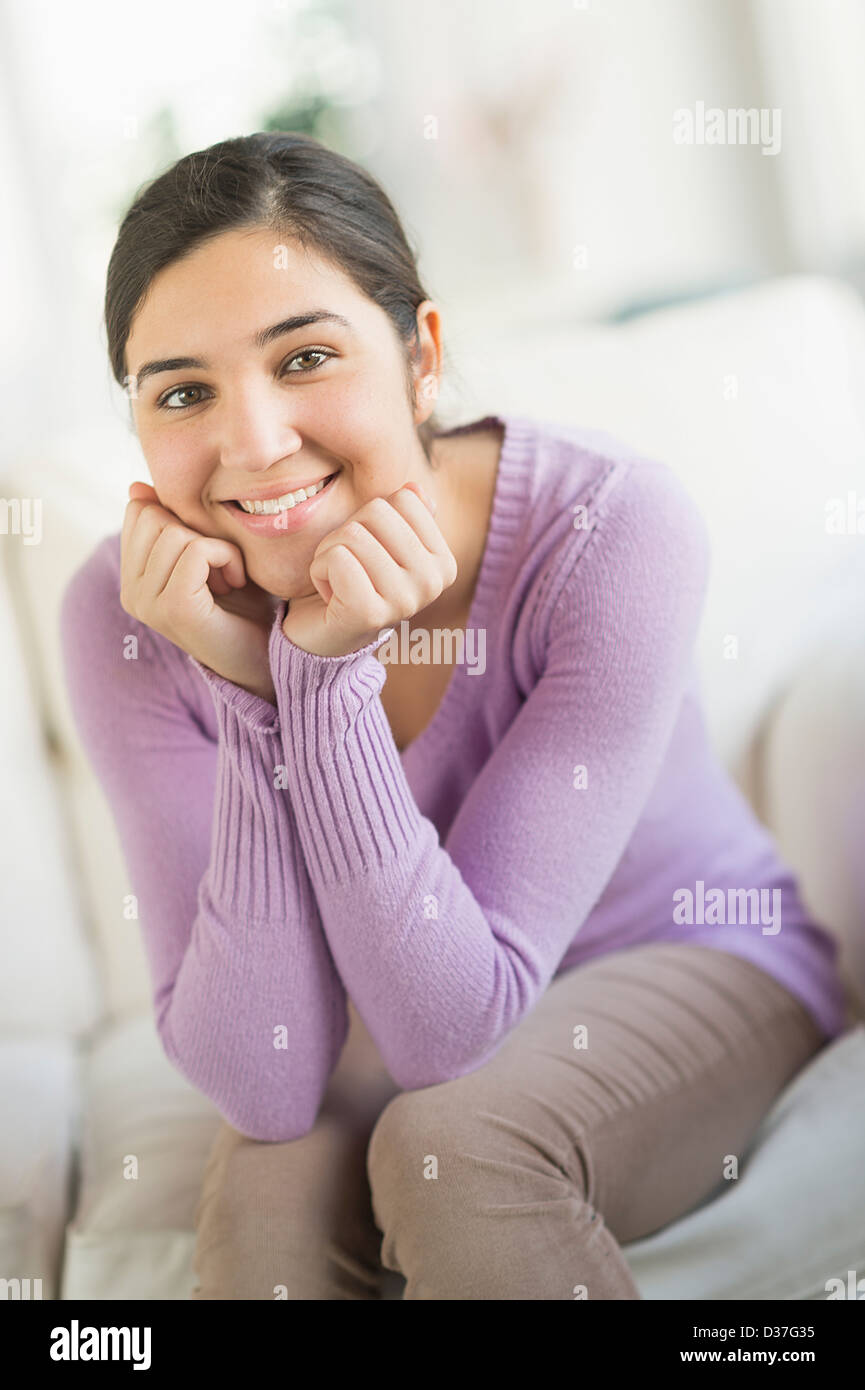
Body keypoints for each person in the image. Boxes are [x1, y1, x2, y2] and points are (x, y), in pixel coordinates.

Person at [61, 131, 848, 1300]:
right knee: (268, 1193)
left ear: (420, 355)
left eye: (306, 356)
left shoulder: (607, 528)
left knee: (453, 1151)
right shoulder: (130, 614)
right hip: (379, 1001)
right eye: (182, 391)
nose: (254, 444)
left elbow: (451, 1030)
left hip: (681, 956)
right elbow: (266, 1083)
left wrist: (320, 681)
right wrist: (247, 690)